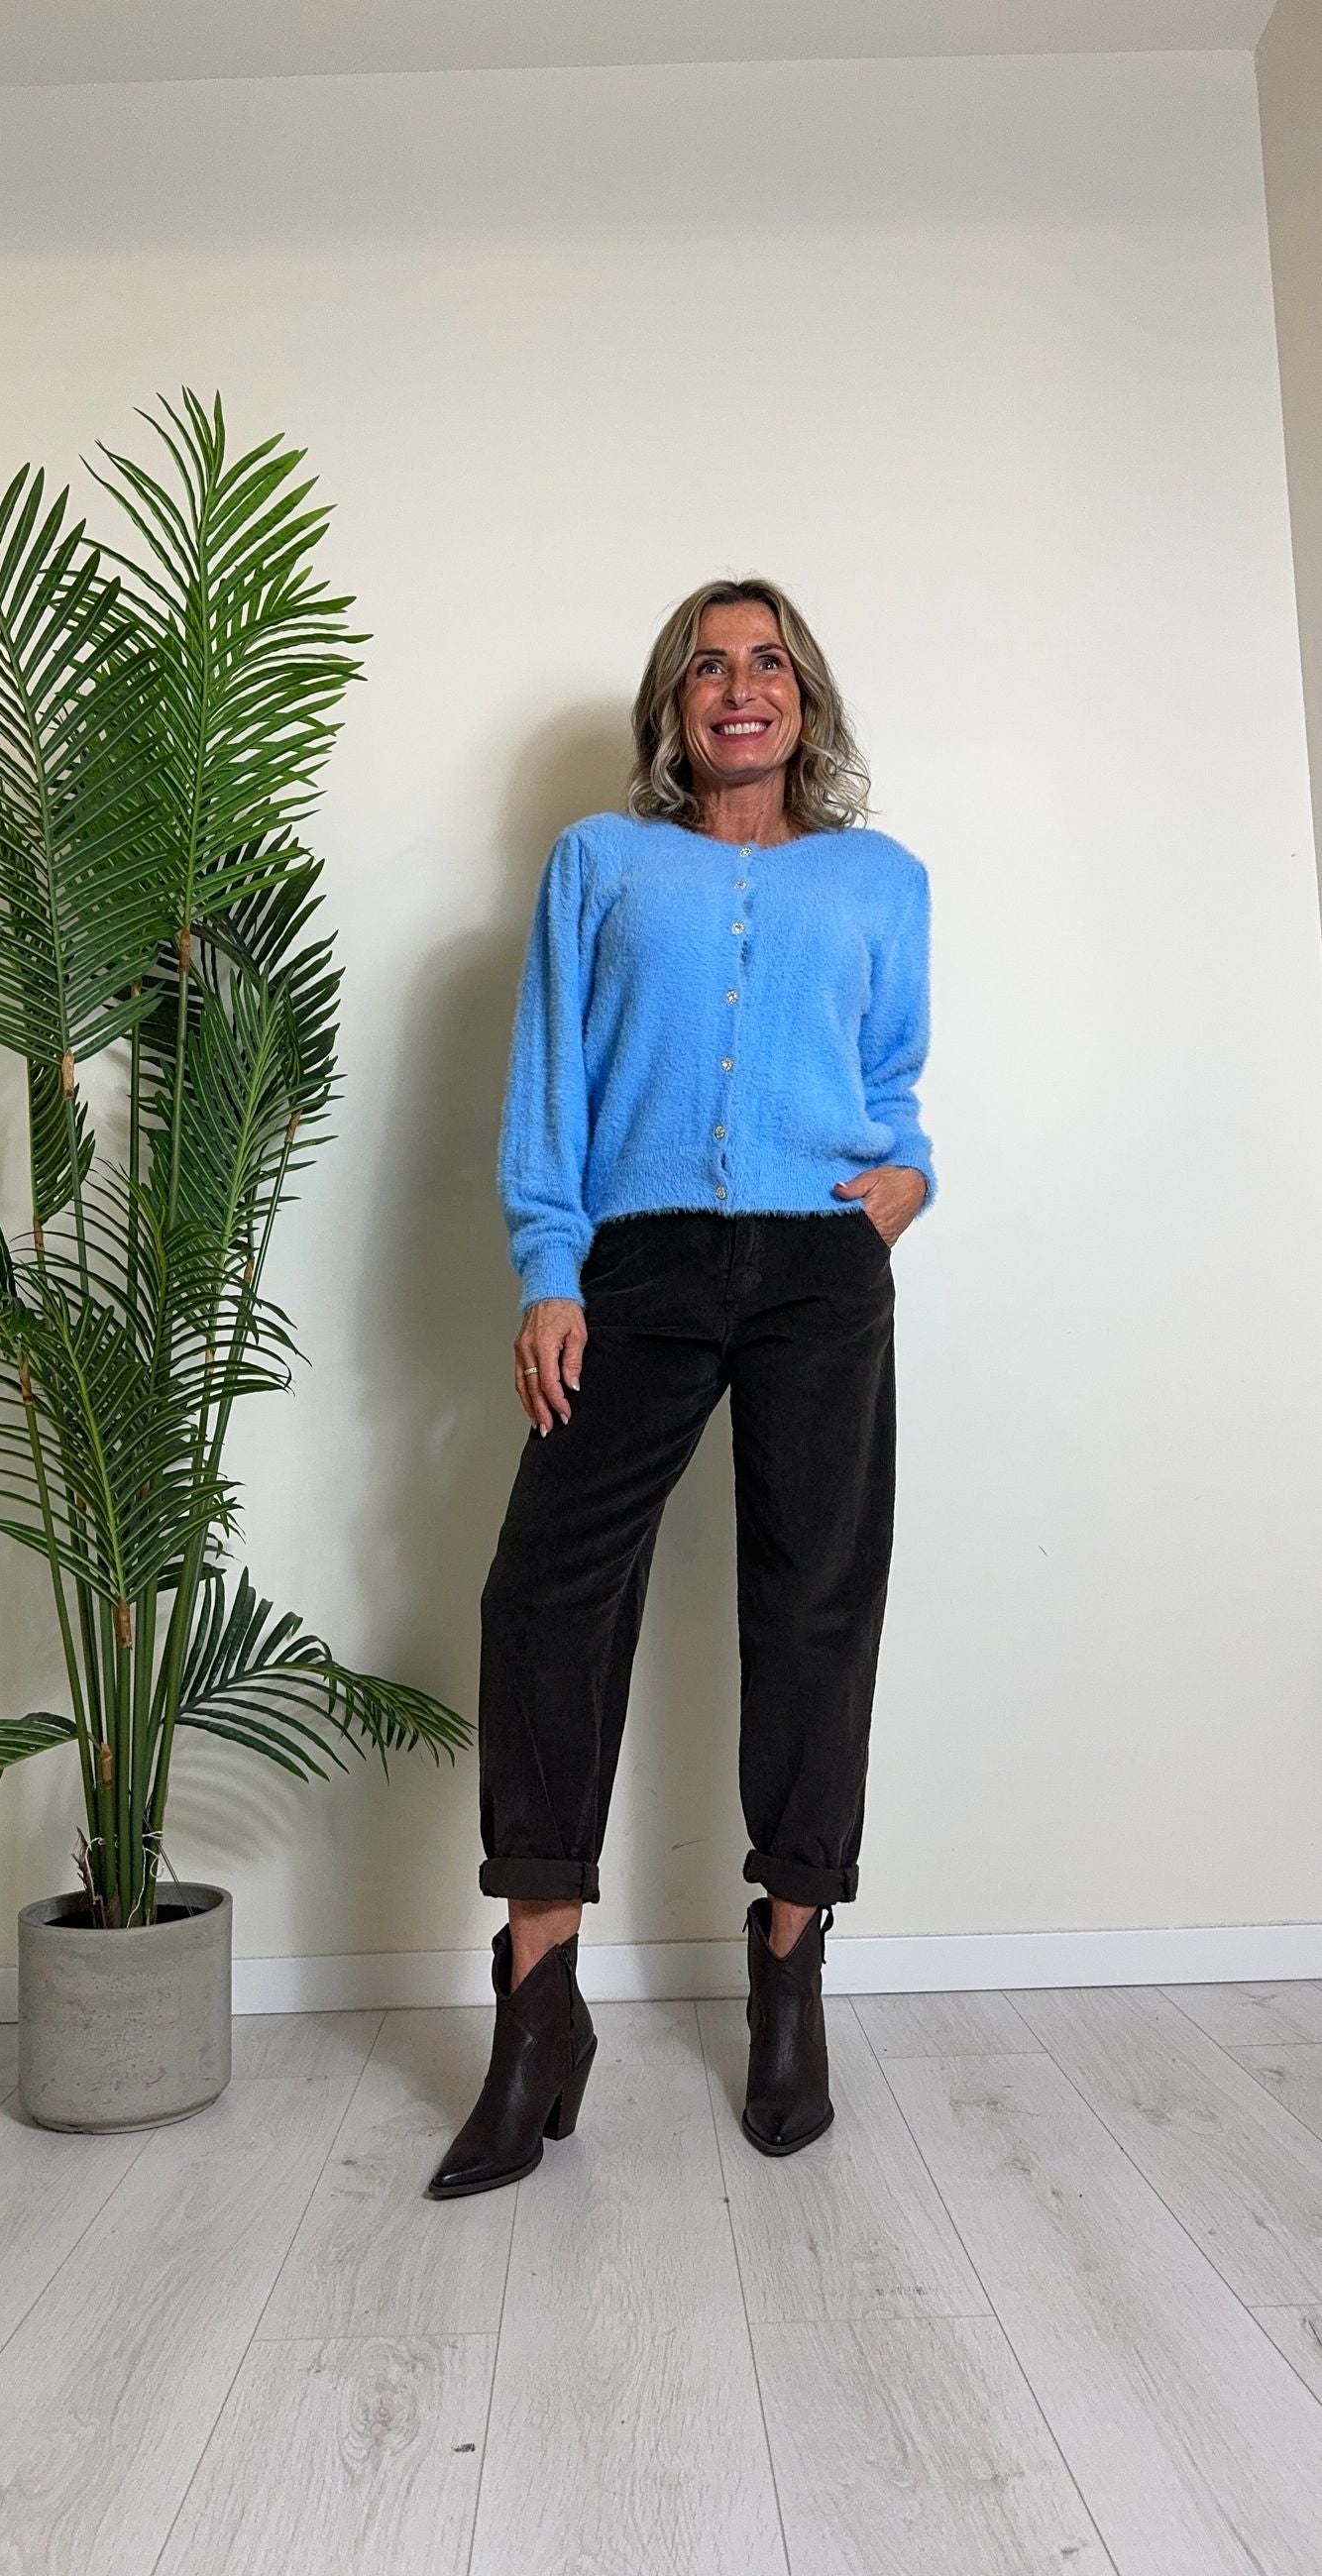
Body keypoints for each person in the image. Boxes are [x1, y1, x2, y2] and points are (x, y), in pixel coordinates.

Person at [426, 576, 936, 2199]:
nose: (740, 687)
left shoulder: (881, 876)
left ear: (807, 700)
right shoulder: (601, 860)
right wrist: (550, 1268)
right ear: (672, 705)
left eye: (768, 662)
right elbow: (549, 1081)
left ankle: (789, 1962)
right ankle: (538, 2002)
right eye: (708, 666)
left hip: (820, 1267)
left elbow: (891, 1074)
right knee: (546, 1593)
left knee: (814, 1598)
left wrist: (909, 1173)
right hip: (636, 1265)